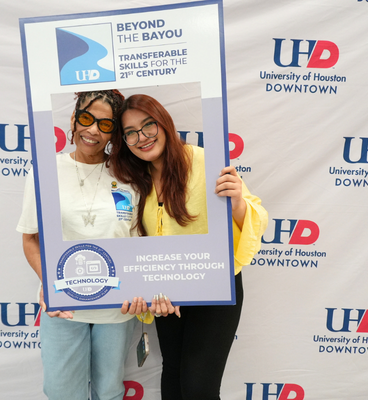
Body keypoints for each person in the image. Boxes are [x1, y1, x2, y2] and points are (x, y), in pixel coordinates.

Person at [110, 94, 268, 400]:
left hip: (215, 288)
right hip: (165, 293)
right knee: (174, 377)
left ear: (165, 124)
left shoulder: (204, 162)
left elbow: (255, 215)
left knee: (199, 388)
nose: (141, 138)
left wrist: (236, 201)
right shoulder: (132, 178)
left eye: (148, 126)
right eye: (130, 132)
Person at [16, 90, 140, 400]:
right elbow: (30, 238)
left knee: (109, 392)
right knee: (61, 393)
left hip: (117, 308)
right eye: (86, 119)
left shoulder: (130, 175)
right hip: (64, 307)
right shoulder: (44, 172)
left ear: (114, 132)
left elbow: (139, 242)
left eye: (105, 124)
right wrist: (50, 283)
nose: (93, 130)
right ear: (73, 120)